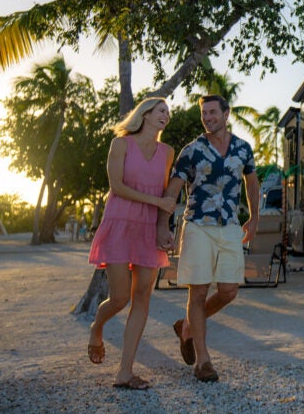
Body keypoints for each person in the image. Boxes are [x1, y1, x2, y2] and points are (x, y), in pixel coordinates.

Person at [159, 94, 259, 383]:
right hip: (198, 225)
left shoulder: (243, 148)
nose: (208, 117)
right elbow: (173, 188)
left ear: (226, 114)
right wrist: (162, 226)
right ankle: (203, 361)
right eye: (204, 113)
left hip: (229, 225)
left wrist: (254, 217)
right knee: (198, 292)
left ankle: (187, 326)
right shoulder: (192, 150)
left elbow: (251, 182)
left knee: (229, 291)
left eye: (213, 112)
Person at [87, 97, 176, 390]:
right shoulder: (121, 144)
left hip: (148, 229)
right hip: (120, 224)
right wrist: (156, 201)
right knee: (120, 297)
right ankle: (97, 327)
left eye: (168, 112)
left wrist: (163, 226)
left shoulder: (167, 152)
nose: (166, 115)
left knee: (142, 298)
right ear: (145, 114)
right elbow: (117, 187)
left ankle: (124, 371)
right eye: (160, 110)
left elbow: (165, 191)